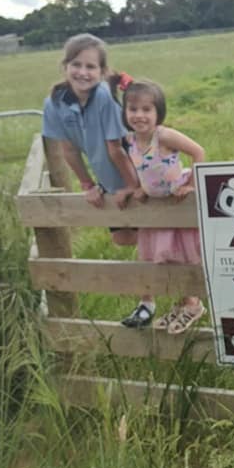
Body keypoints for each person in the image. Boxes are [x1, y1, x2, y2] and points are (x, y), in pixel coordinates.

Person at [40, 33, 149, 325]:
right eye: (77, 64)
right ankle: (153, 296)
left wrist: (133, 187)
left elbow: (117, 149)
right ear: (65, 65)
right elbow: (68, 148)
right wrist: (88, 185)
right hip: (113, 180)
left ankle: (171, 301)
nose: (83, 72)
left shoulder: (103, 96)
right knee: (126, 239)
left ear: (102, 73)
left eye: (91, 67)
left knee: (155, 241)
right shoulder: (54, 103)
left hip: (139, 173)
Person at [117, 76, 207, 334]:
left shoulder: (164, 136)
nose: (139, 116)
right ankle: (181, 304)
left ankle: (193, 304)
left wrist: (193, 187)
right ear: (125, 112)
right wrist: (139, 189)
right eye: (133, 109)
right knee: (162, 258)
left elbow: (198, 151)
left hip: (176, 202)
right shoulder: (130, 141)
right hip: (156, 207)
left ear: (158, 113)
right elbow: (143, 170)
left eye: (147, 110)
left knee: (182, 256)